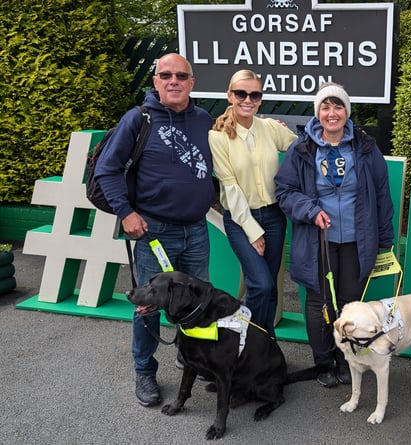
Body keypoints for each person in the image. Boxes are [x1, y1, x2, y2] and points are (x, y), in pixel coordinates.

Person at [95, 53, 215, 407]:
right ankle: (145, 371)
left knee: (197, 302)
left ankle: (188, 355)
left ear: (192, 82)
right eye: (166, 75)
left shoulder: (204, 119)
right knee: (148, 307)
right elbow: (107, 170)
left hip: (196, 229)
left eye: (181, 75)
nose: (174, 81)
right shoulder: (138, 119)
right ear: (155, 81)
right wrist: (126, 213)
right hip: (153, 232)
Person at [274, 82, 395, 387]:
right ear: (318, 112)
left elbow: (382, 194)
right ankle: (323, 362)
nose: (332, 113)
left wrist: (384, 240)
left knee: (350, 302)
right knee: (320, 303)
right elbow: (285, 191)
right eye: (325, 107)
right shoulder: (300, 149)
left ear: (347, 112)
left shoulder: (366, 147)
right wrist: (311, 210)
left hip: (357, 241)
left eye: (338, 106)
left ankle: (347, 359)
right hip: (319, 242)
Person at [209, 69, 297, 338]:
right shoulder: (218, 136)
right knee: (259, 285)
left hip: (273, 217)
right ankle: (249, 342)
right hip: (239, 220)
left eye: (254, 94)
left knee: (270, 287)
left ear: (260, 98)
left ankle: (265, 343)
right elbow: (229, 187)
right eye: (241, 93)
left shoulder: (270, 128)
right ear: (229, 96)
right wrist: (252, 230)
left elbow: (301, 150)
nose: (248, 99)